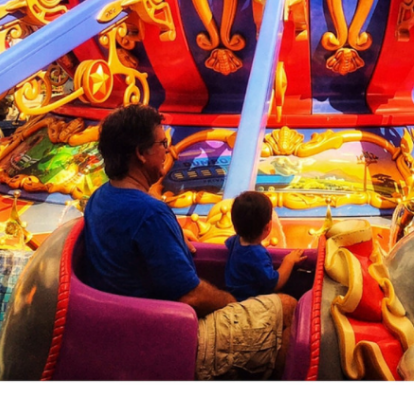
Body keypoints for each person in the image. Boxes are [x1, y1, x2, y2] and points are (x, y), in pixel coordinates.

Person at [81, 105, 297, 380]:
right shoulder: (150, 215)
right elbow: (191, 296)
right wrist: (230, 302)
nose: (170, 152)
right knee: (289, 306)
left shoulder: (100, 197)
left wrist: (174, 233)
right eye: (163, 143)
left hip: (124, 324)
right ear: (140, 153)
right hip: (165, 335)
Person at [225, 191, 306, 302]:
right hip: (249, 302)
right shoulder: (257, 255)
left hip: (233, 295)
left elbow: (227, 244)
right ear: (268, 227)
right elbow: (274, 284)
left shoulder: (235, 240)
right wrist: (289, 261)